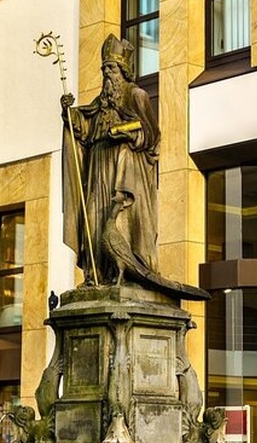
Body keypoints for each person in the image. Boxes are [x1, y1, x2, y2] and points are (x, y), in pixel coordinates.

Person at [61, 34, 160, 287]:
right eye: (104, 68)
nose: (107, 73)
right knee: (94, 217)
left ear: (123, 71)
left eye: (112, 68)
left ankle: (123, 272)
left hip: (122, 169)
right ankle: (96, 273)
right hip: (97, 167)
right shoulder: (100, 102)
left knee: (117, 220)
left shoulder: (136, 96)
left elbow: (150, 134)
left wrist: (128, 132)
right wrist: (68, 113)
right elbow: (82, 129)